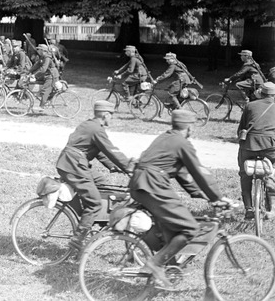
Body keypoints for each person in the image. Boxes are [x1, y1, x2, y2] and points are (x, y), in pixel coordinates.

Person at [130, 109, 234, 288]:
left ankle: (170, 267)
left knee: (171, 225)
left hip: (139, 184)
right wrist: (218, 197)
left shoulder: (166, 138)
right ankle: (155, 263)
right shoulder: (182, 143)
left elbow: (182, 175)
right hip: (152, 184)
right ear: (189, 127)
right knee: (189, 229)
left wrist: (202, 195)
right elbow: (198, 172)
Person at [56, 100, 132, 251]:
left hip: (72, 162)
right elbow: (111, 150)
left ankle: (93, 220)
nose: (112, 118)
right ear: (105, 114)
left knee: (102, 183)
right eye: (111, 115)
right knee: (95, 202)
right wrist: (129, 167)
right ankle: (78, 237)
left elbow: (100, 152)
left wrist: (114, 167)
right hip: (74, 165)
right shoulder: (97, 129)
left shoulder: (89, 125)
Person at [237, 82, 275, 220]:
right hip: (271, 147)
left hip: (249, 145)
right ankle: (271, 209)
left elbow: (241, 128)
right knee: (273, 172)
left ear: (261, 93)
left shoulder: (250, 105)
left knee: (244, 174)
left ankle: (248, 209)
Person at [28, 44, 59, 112]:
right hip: (47, 75)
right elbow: (36, 65)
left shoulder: (47, 58)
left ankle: (42, 106)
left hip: (51, 76)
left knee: (45, 89)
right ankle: (46, 101)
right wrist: (29, 71)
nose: (37, 50)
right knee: (41, 86)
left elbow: (43, 69)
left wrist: (34, 75)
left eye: (38, 49)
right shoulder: (42, 57)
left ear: (43, 50)